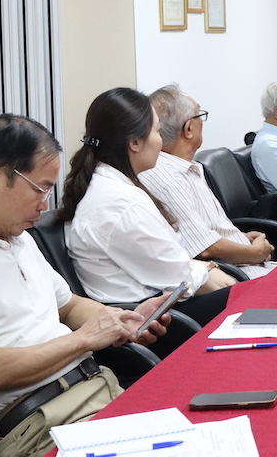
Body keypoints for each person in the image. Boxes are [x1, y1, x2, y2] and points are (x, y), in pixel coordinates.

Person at [0, 115, 170, 457]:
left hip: (96, 390)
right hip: (42, 427)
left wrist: (121, 319)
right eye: (39, 189)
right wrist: (84, 339)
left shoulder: (18, 237)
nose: (45, 204)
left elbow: (68, 306)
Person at [61, 88, 236, 328]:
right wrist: (208, 269)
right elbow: (180, 278)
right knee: (244, 298)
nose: (160, 141)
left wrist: (204, 269)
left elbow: (170, 263)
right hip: (149, 321)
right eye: (156, 131)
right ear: (134, 143)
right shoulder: (121, 202)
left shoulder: (112, 186)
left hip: (155, 304)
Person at [140, 84, 274, 279]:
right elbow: (205, 249)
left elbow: (207, 231)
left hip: (246, 266)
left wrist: (241, 238)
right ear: (188, 128)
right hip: (239, 276)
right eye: (199, 115)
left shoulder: (187, 168)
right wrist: (255, 253)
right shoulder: (169, 179)